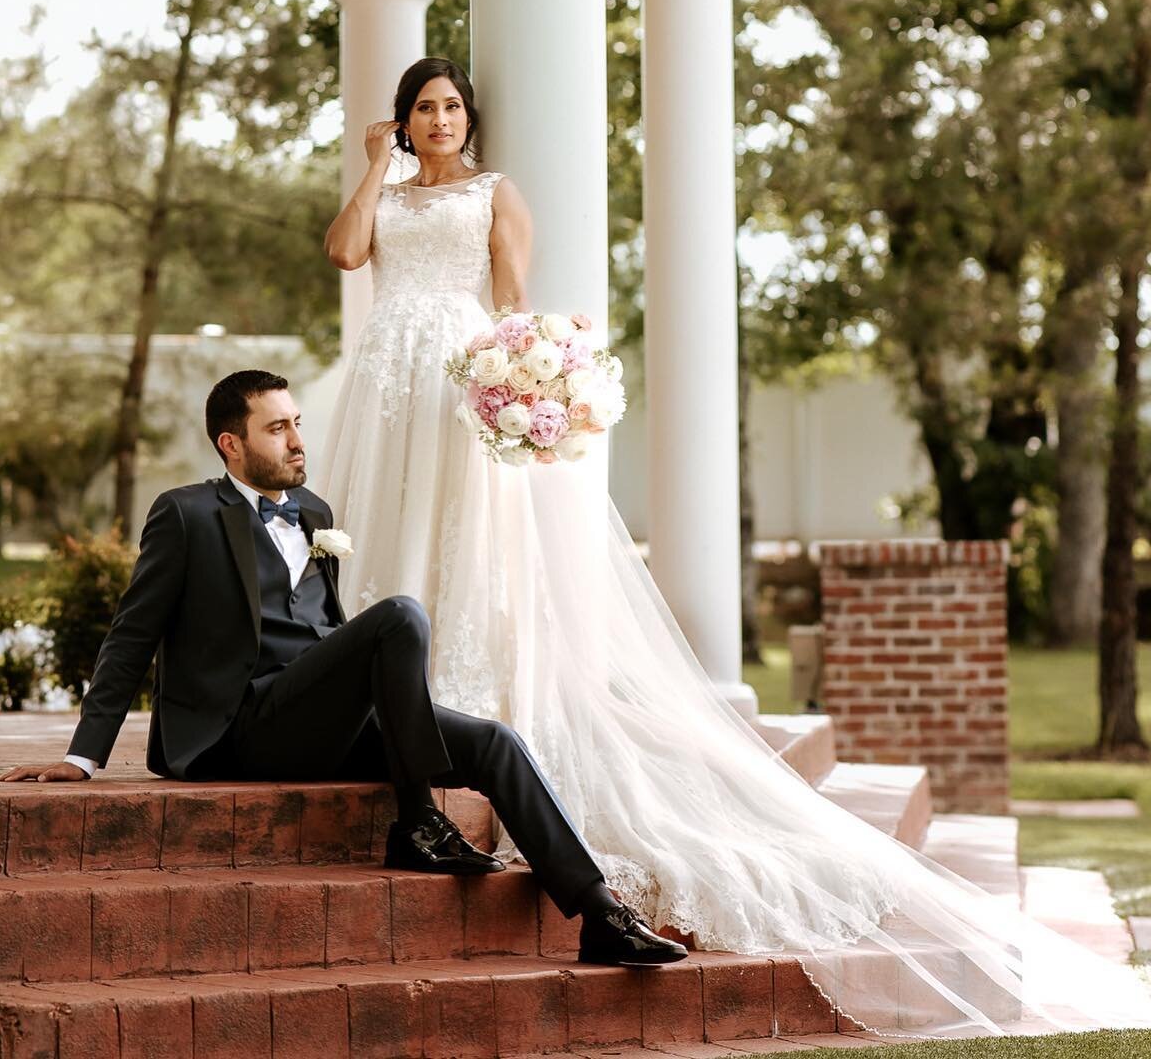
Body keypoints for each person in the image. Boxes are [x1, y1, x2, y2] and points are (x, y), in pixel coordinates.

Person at [316, 54, 1151, 1039]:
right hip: (383, 381)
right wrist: (375, 164)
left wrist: (526, 379)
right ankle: (384, 687)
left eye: (452, 105)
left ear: (470, 117)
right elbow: (343, 254)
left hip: (458, 373)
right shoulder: (391, 187)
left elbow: (510, 301)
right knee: (386, 527)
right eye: (424, 107)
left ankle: (458, 691)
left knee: (457, 537)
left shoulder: (499, 194)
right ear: (404, 119)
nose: (440, 119)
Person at [0, 369, 687, 969]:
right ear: (230, 445)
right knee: (400, 615)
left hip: (319, 717)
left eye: (298, 423)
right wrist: (83, 756)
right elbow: (131, 635)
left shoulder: (313, 513)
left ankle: (601, 917)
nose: (298, 441)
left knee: (494, 743)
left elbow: (322, 632)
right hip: (239, 728)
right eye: (277, 429)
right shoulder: (186, 514)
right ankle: (417, 820)